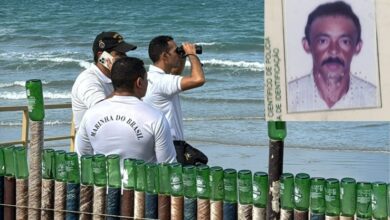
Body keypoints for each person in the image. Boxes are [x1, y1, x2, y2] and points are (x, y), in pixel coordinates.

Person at [75, 57, 177, 166]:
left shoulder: (91, 114)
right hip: (142, 182)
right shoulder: (155, 117)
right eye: (146, 79)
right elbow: (167, 166)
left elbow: (82, 159)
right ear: (139, 82)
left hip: (103, 183)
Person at [288, 1, 377, 113]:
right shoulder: (287, 97)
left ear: (357, 47)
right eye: (323, 41)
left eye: (344, 41)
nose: (334, 51)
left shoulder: (373, 98)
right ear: (307, 45)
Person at [143, 35, 208, 165]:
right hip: (171, 146)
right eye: (175, 52)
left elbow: (175, 75)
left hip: (159, 143)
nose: (178, 54)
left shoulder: (151, 77)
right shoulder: (162, 81)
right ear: (165, 56)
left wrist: (182, 56)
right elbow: (198, 79)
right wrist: (192, 55)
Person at [72, 31, 137, 130]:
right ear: (101, 56)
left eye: (125, 54)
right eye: (119, 54)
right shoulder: (88, 80)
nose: (125, 59)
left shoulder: (114, 78)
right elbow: (101, 110)